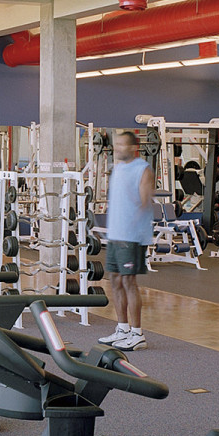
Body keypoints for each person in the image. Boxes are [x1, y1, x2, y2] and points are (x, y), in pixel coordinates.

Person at [99, 130, 153, 350]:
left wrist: (132, 228)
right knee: (114, 280)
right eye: (116, 144)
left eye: (122, 144)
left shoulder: (143, 169)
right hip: (116, 234)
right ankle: (122, 329)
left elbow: (145, 202)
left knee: (129, 282)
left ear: (133, 147)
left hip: (131, 236)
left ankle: (137, 333)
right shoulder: (118, 168)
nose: (118, 148)